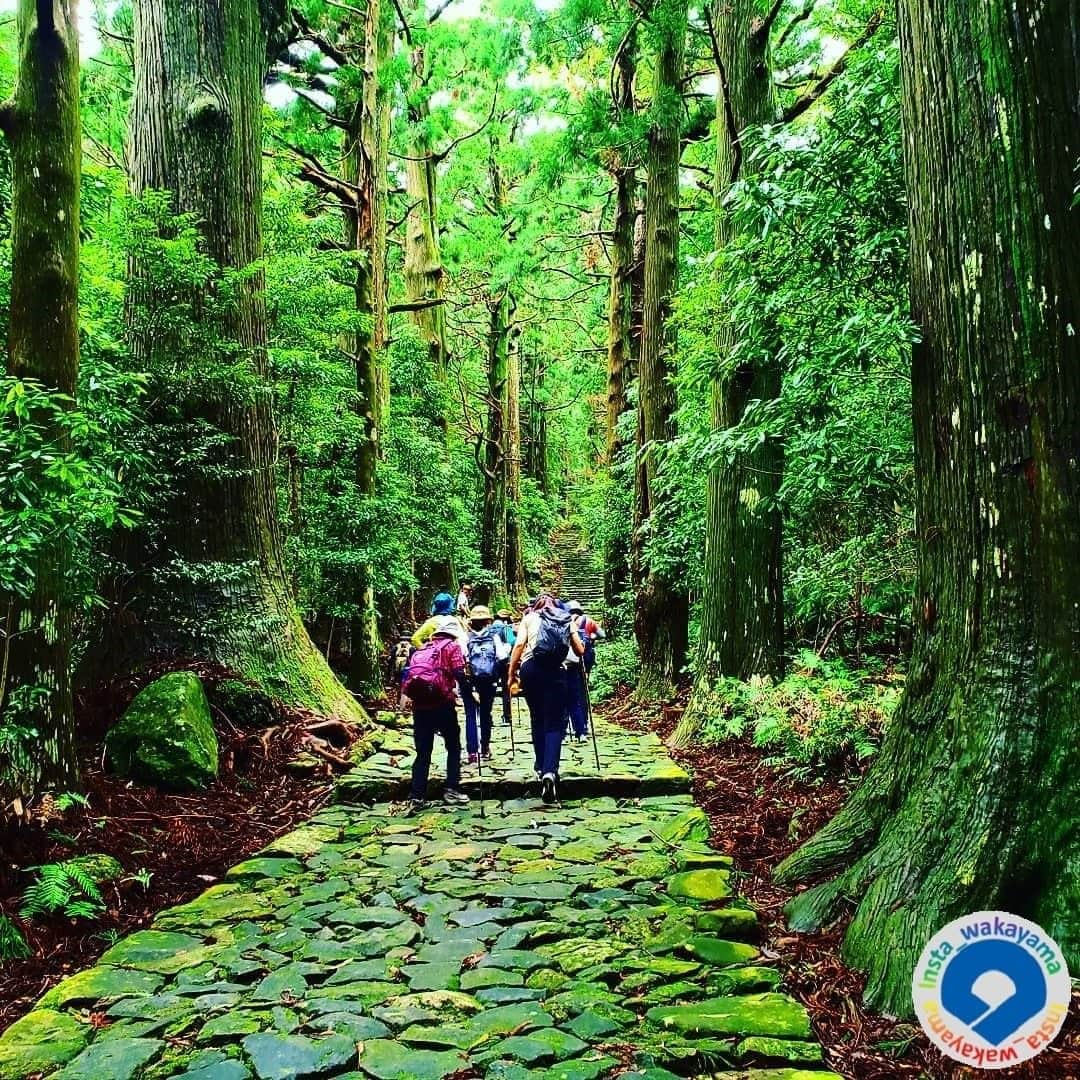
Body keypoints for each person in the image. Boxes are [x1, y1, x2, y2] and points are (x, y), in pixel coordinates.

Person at [507, 595, 585, 805]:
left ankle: (540, 767)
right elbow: (579, 650)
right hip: (556, 671)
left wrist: (511, 673)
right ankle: (551, 771)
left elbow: (519, 645)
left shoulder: (529, 618)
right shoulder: (564, 618)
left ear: (536, 606)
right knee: (554, 724)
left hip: (530, 669)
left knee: (537, 718)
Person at [401, 616, 471, 813]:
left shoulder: (421, 649)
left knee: (423, 752)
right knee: (453, 746)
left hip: (420, 707)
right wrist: (470, 695)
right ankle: (452, 789)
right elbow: (459, 673)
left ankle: (417, 796)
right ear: (453, 634)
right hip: (442, 704)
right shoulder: (452, 647)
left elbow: (410, 676)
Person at [463, 605, 501, 762]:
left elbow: (463, 660)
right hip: (488, 681)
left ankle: (472, 752)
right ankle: (485, 748)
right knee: (486, 714)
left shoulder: (465, 637)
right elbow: (502, 656)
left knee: (470, 715)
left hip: (470, 681)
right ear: (487, 621)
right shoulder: (494, 637)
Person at [564, 601, 605, 741]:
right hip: (586, 657)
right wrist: (591, 637)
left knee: (570, 693)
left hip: (571, 659)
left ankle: (571, 725)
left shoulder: (564, 621)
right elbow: (602, 634)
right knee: (582, 691)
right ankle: (584, 724)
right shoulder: (588, 621)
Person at [493, 609, 517, 725]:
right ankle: (507, 715)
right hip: (505, 661)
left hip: (490, 662)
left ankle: (488, 716)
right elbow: (513, 642)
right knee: (506, 689)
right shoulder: (506, 628)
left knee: (490, 690)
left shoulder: (488, 628)